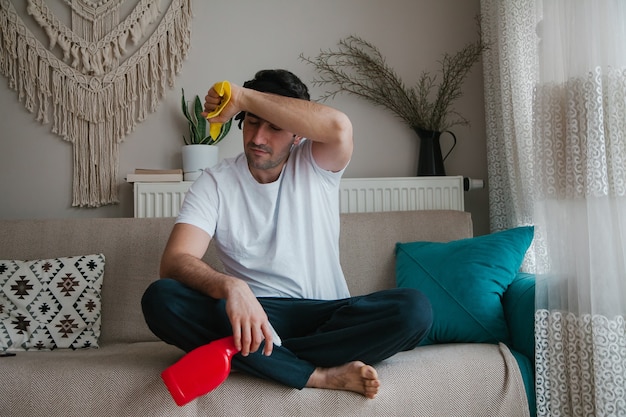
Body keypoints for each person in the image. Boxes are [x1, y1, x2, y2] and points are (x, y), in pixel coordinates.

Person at [141, 69, 432, 399]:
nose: (258, 138)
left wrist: (242, 97)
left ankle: (260, 359)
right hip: (255, 318)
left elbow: (339, 127)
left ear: (298, 135)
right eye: (251, 122)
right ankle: (318, 375)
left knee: (415, 310)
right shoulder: (215, 182)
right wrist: (231, 286)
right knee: (161, 298)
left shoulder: (315, 161)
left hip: (327, 315)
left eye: (274, 126)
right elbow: (175, 261)